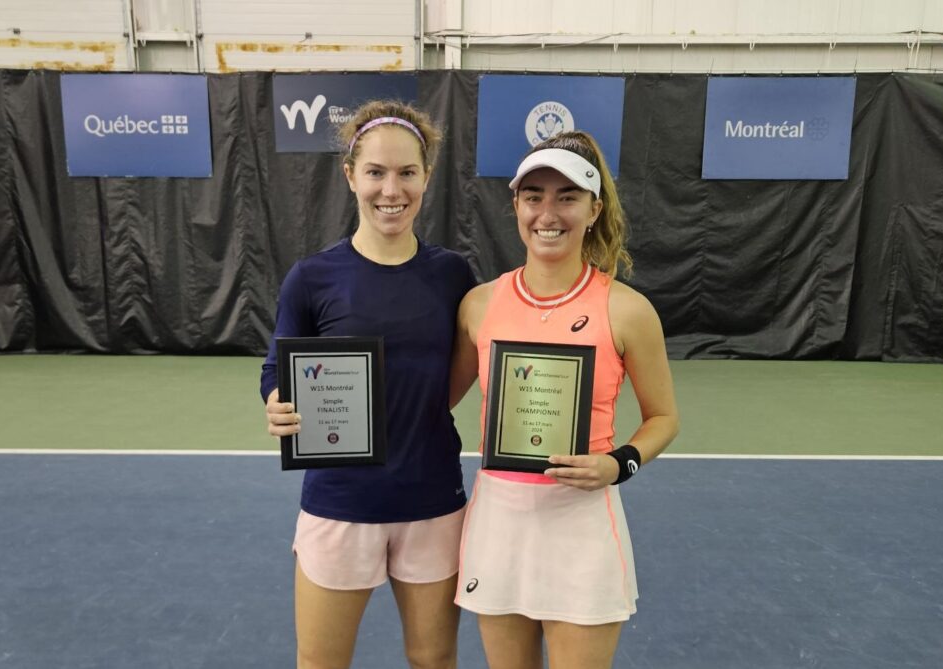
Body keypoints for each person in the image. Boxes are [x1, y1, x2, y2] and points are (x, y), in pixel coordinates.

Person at [449, 131, 680, 669]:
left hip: (581, 523)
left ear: (594, 209)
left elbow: (664, 417)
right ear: (516, 205)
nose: (547, 213)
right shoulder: (479, 305)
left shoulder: (627, 310)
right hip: (499, 521)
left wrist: (618, 463)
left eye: (567, 197)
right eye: (534, 196)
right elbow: (433, 400)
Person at [261, 100, 475, 669]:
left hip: (432, 501)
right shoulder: (312, 278)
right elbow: (276, 371)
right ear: (350, 175)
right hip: (339, 503)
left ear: (426, 177)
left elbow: (460, 371)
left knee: (434, 661)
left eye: (407, 172)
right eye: (376, 172)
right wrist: (277, 405)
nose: (391, 189)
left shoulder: (453, 275)